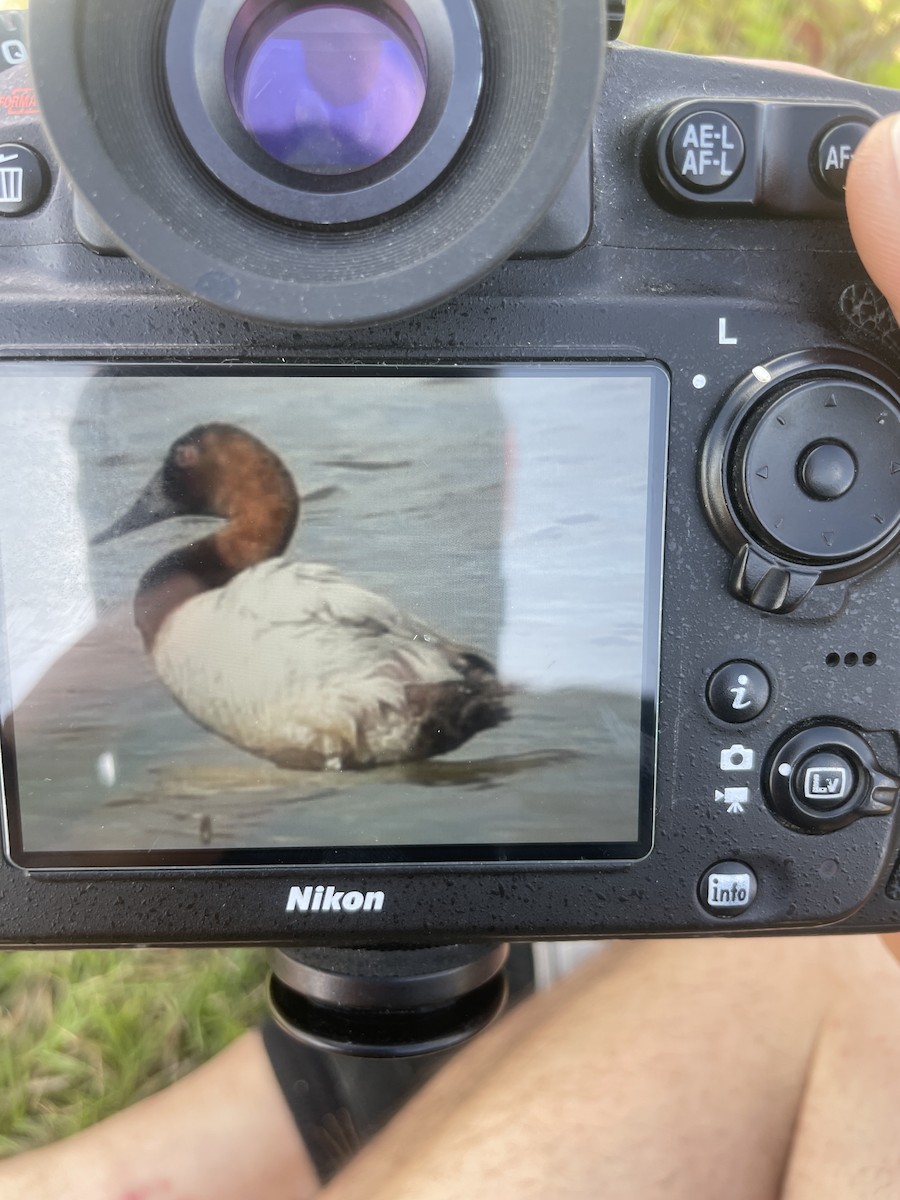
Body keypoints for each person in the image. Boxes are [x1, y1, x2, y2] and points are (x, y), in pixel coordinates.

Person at [2, 108, 900, 1200]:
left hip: (424, 732)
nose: (151, 504)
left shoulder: (237, 600)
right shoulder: (257, 596)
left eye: (171, 480)